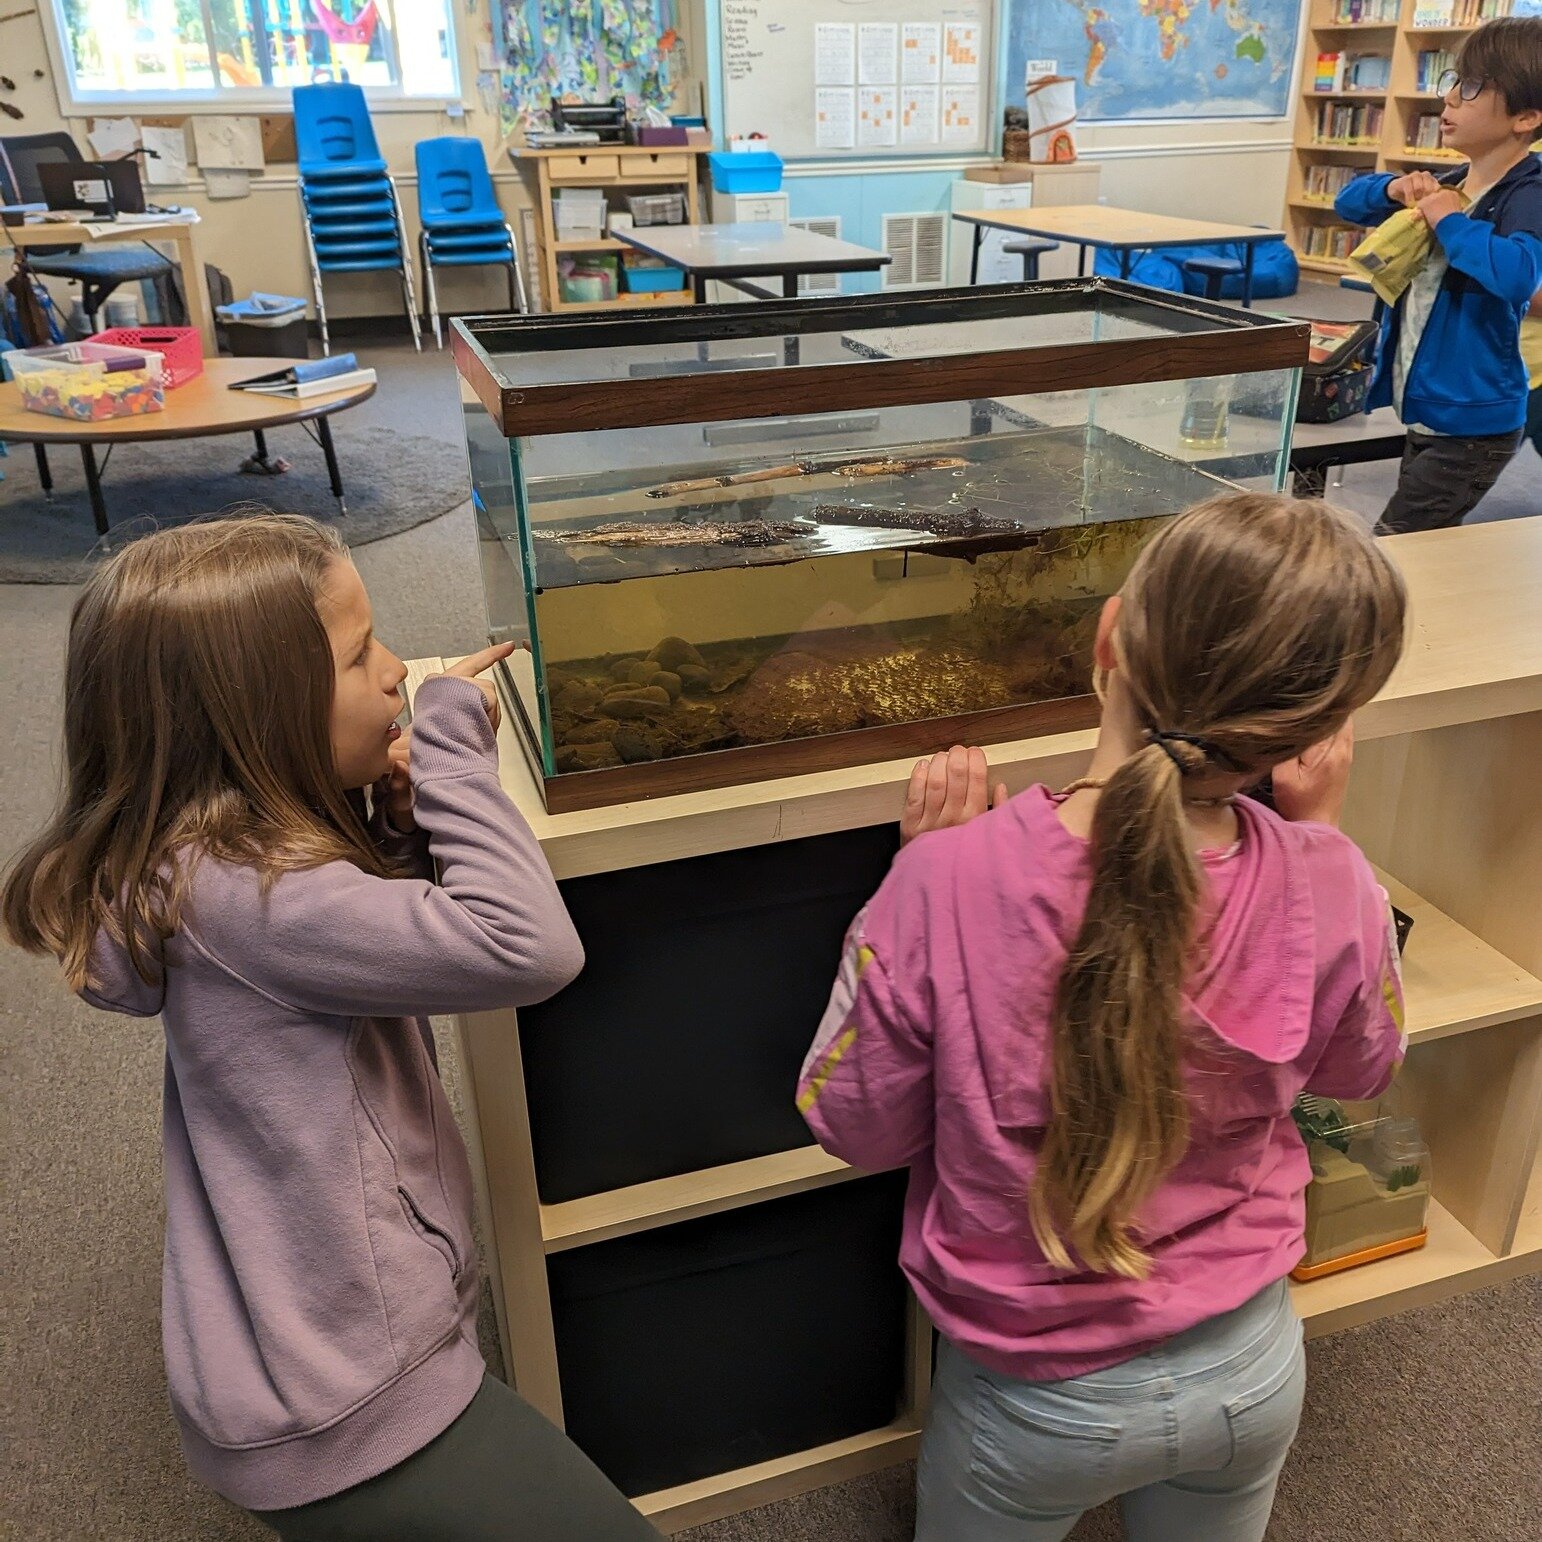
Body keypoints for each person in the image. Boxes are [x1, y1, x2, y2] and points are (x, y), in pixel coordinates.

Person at [2, 516, 660, 1542]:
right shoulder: (255, 899)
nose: (396, 670)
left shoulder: (198, 860)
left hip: (284, 1357)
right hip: (356, 1391)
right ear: (258, 719)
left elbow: (347, 945)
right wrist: (451, 754)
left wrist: (393, 825)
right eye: (360, 657)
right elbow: (528, 946)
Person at [796, 494, 1410, 1542]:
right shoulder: (1333, 875)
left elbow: (857, 1127)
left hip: (1032, 1399)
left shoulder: (945, 880)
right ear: (1309, 735)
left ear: (1108, 636)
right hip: (1251, 1370)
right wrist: (1322, 839)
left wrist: (911, 871)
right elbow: (1363, 1067)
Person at [1334, 16, 1542, 533]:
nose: (1450, 99)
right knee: (1423, 549)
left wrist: (1447, 218)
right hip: (1431, 407)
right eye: (1453, 81)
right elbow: (1347, 202)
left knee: (1394, 544)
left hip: (1476, 422)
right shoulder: (1451, 182)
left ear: (1527, 116)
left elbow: (1517, 275)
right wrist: (1393, 191)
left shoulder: (1529, 193)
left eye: (1471, 89)